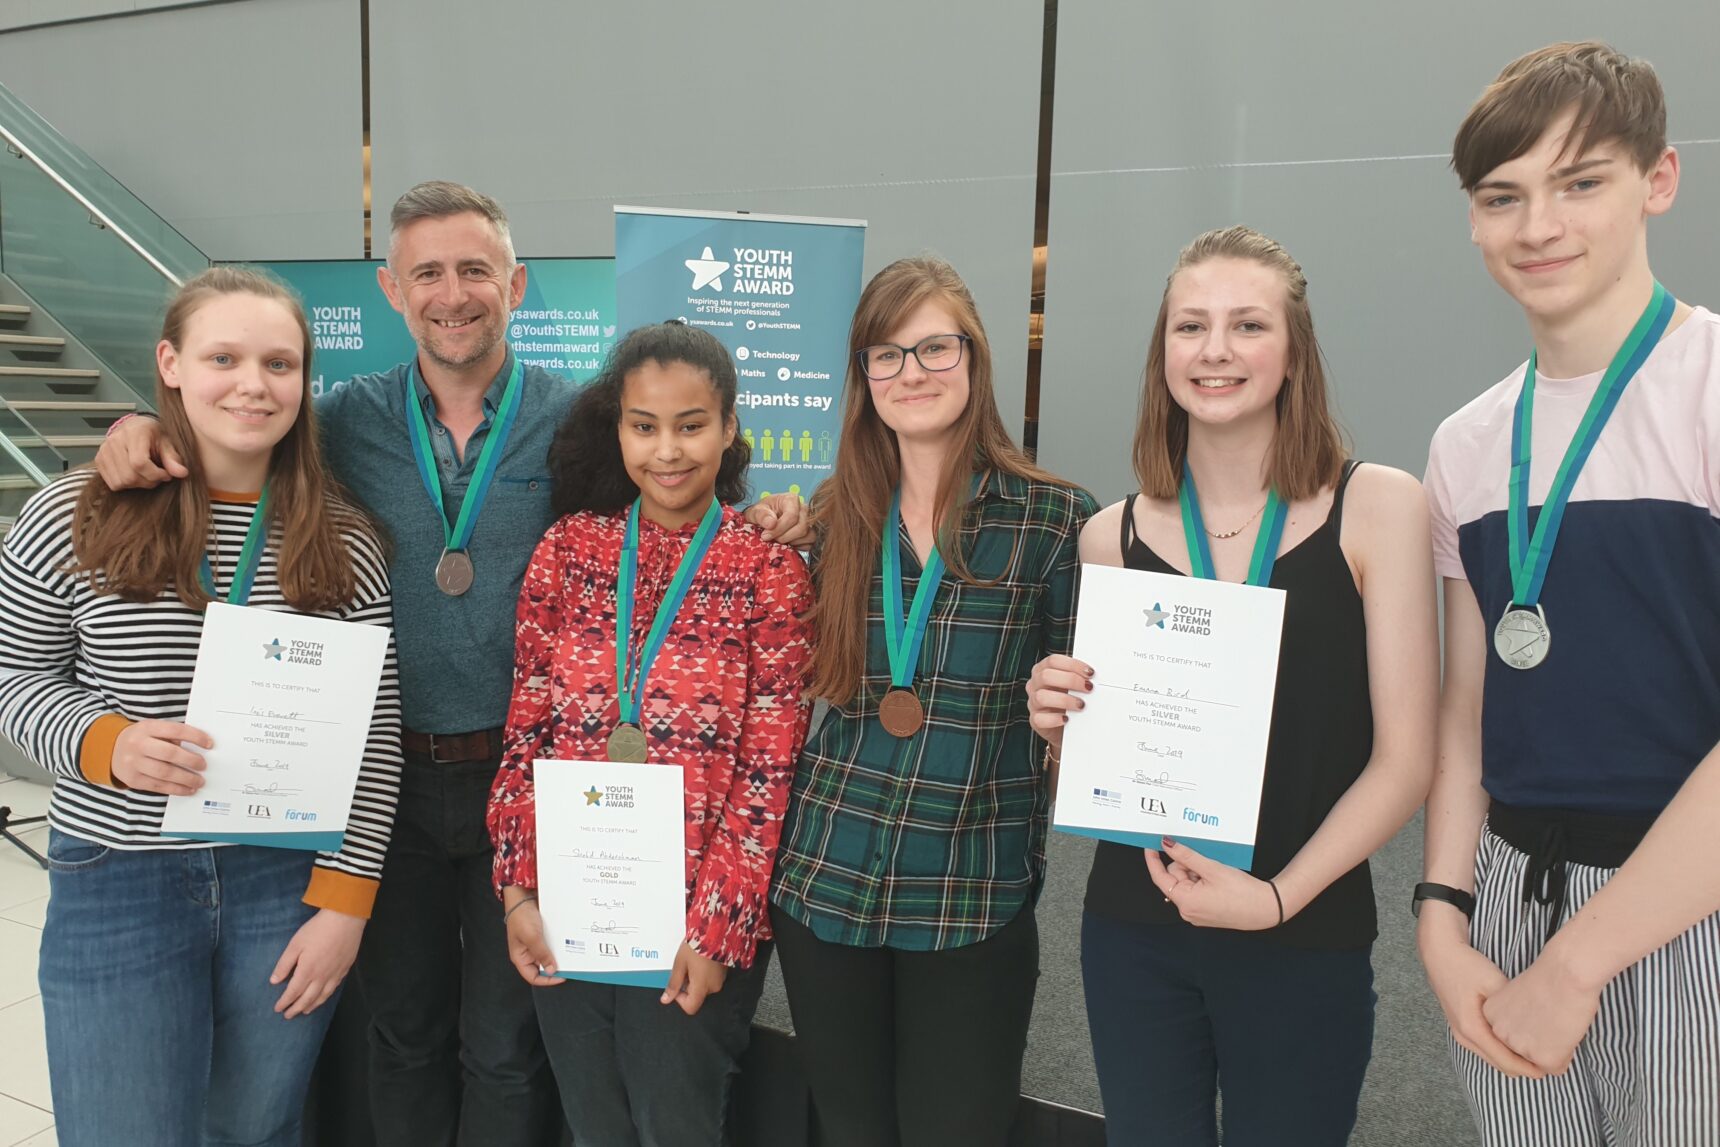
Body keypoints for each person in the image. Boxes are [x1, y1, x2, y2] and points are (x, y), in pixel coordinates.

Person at [90, 182, 811, 1146]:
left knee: (510, 1043)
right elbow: (235, 424)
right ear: (393, 289)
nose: (453, 291)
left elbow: (680, 496)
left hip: (528, 775)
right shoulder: (341, 418)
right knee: (402, 1031)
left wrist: (771, 513)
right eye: (427, 271)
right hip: (384, 773)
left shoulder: (575, 417)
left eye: (475, 268)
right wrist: (140, 430)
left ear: (514, 283)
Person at [1026, 225, 1438, 1146]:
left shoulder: (1379, 506)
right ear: (1161, 352)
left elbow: (1408, 759)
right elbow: (1102, 776)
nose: (1214, 351)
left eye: (1247, 325)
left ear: (1294, 353)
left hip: (1302, 923)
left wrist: (1279, 895)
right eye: (1190, 327)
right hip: (1136, 929)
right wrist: (1058, 729)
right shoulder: (1110, 534)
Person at [0, 266, 401, 1147]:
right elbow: (15, 681)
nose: (254, 384)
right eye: (224, 356)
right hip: (116, 874)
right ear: (170, 363)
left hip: (283, 883)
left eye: (280, 363)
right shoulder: (70, 514)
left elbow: (373, 742)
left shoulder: (345, 538)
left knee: (256, 1130)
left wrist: (345, 902)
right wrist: (103, 741)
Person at [1419, 42, 1720, 1145]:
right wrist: (1442, 919)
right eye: (1503, 196)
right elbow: (1466, 709)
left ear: (1659, 180)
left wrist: (1580, 961)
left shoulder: (1710, 388)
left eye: (1579, 181)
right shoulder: (1465, 443)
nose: (1537, 225)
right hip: (1509, 896)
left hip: (1690, 908)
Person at [766, 255, 1097, 1147]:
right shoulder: (833, 517)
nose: (912, 372)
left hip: (969, 886)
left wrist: (1065, 725)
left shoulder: (1054, 520)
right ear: (864, 378)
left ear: (976, 357)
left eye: (934, 347)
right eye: (887, 354)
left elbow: (1091, 737)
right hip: (826, 877)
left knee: (961, 1129)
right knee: (851, 1129)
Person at [487, 321, 812, 1145]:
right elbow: (526, 733)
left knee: (678, 1126)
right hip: (572, 903)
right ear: (619, 428)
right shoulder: (569, 552)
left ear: (731, 425)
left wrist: (716, 928)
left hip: (692, 921)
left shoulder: (768, 568)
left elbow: (769, 770)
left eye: (691, 423)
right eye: (644, 425)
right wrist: (519, 890)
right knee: (595, 1127)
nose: (667, 450)